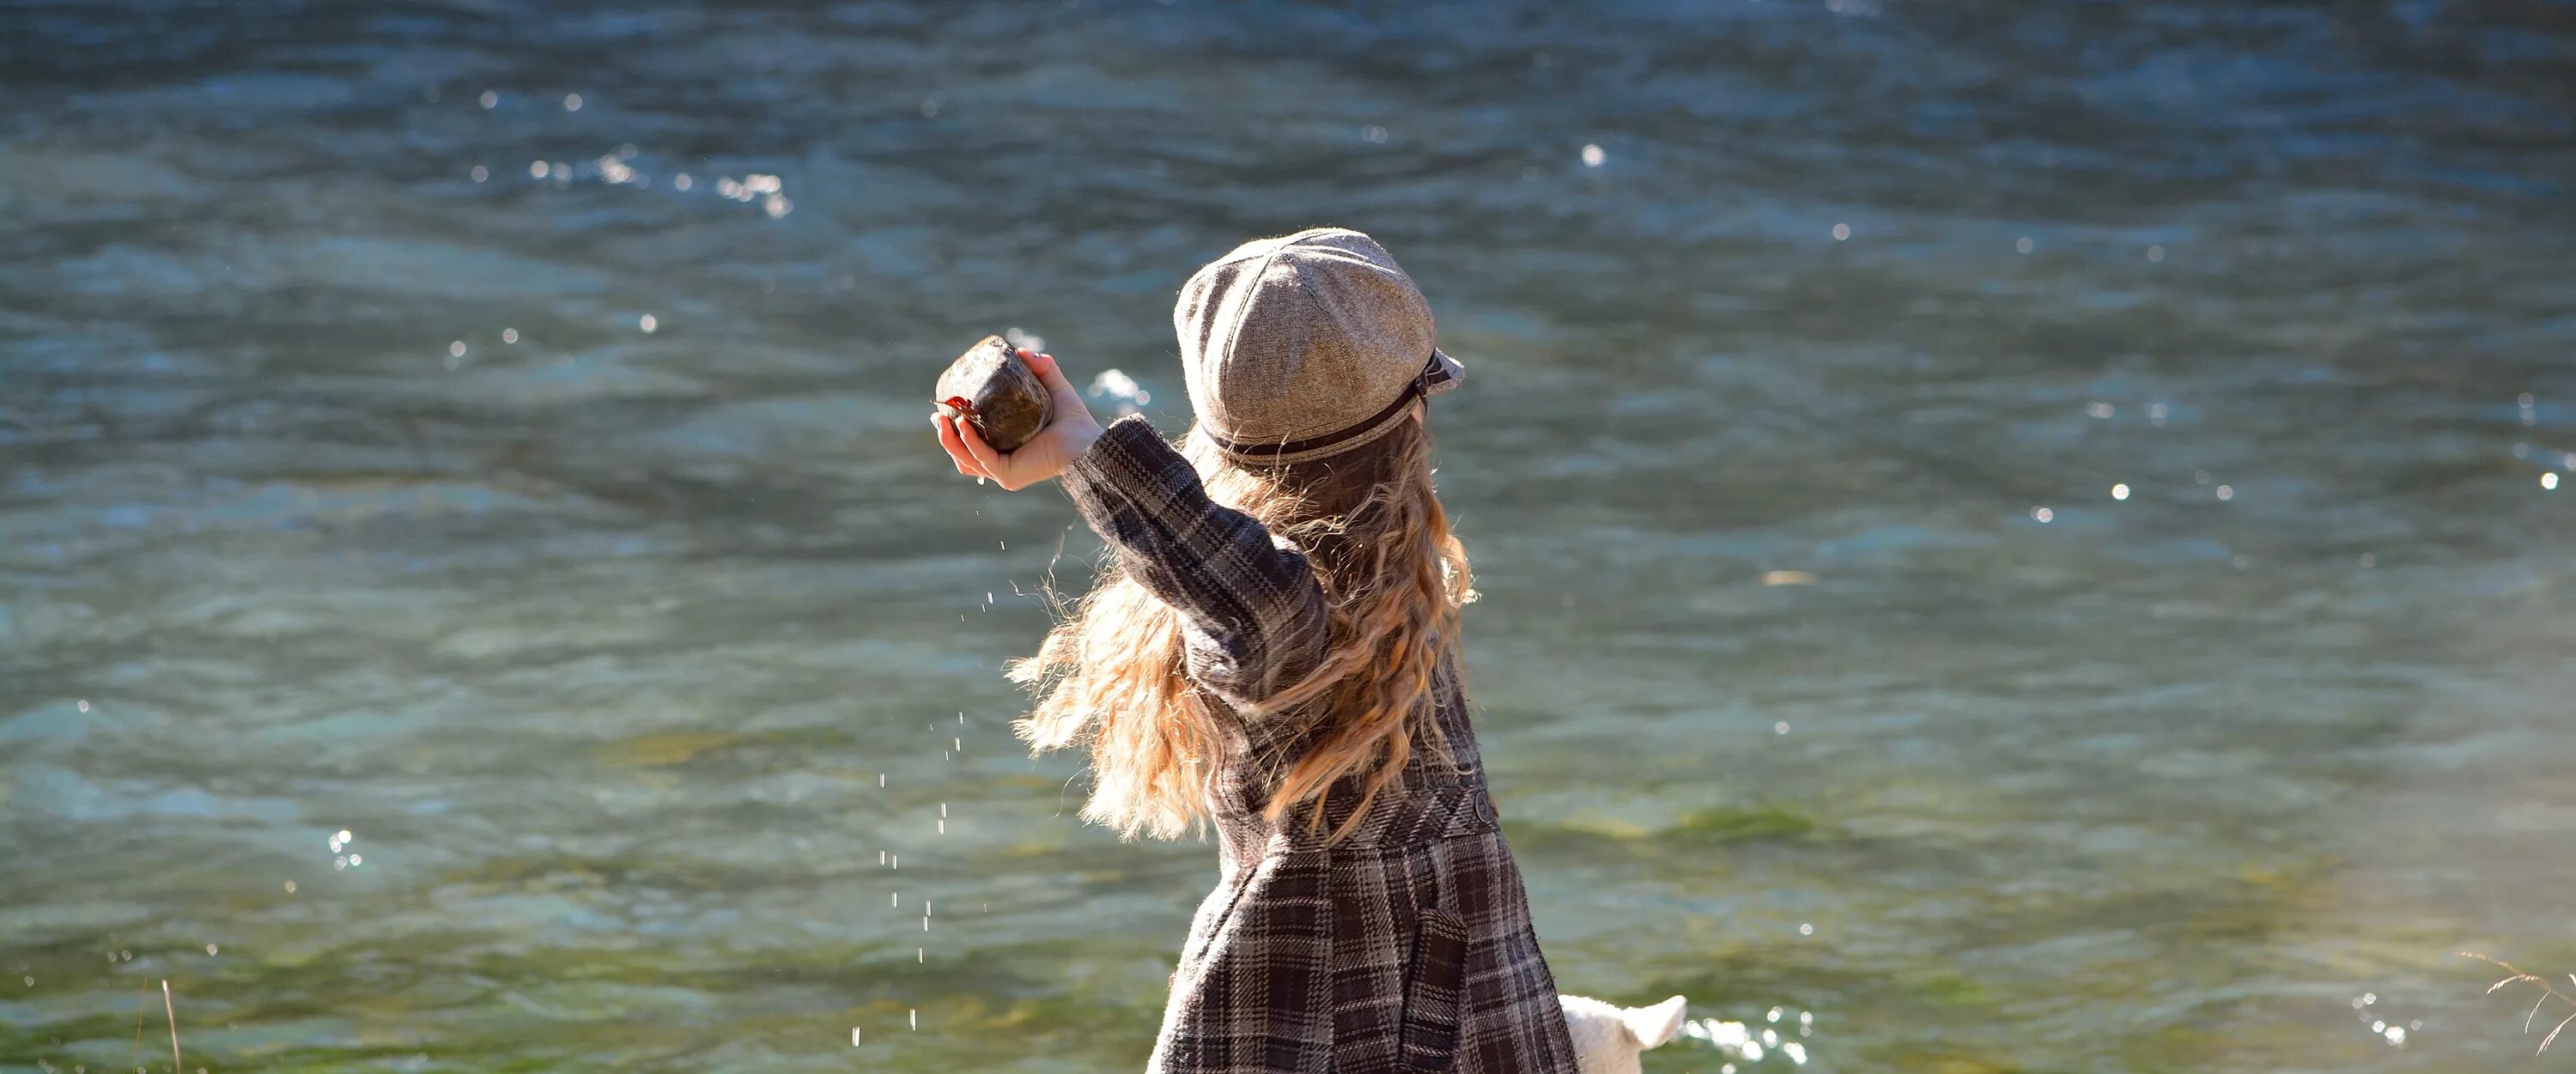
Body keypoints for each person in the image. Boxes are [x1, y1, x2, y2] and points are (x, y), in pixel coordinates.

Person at [932, 227, 1581, 1074]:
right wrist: (1088, 456)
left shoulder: (1377, 588)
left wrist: (1092, 448)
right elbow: (1249, 589)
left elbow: (1220, 559)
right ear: (1410, 422)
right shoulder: (1298, 629)